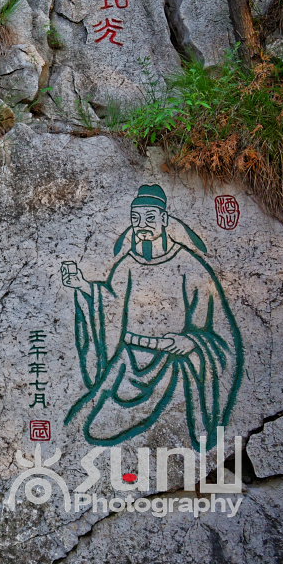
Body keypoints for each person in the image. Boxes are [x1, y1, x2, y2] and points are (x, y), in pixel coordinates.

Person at [61, 184, 244, 450]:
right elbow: (110, 304)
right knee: (92, 426)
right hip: (127, 361)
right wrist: (85, 288)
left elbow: (215, 326)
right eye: (136, 219)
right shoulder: (128, 264)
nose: (141, 225)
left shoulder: (189, 265)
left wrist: (191, 342)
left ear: (164, 219)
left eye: (149, 218)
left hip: (173, 363)